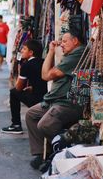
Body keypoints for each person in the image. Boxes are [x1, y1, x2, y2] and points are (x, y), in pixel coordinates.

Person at [25, 30, 85, 169]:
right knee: (31, 114)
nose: (61, 44)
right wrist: (51, 50)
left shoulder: (77, 54)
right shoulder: (70, 55)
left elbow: (45, 75)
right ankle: (41, 154)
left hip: (68, 103)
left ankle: (63, 149)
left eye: (65, 41)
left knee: (45, 125)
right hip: (54, 101)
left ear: (75, 41)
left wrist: (51, 52)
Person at [1, 40, 47, 134]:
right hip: (45, 96)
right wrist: (31, 87)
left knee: (13, 92)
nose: (21, 50)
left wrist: (20, 73)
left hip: (37, 100)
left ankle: (16, 125)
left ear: (31, 53)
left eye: (24, 49)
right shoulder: (43, 62)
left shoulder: (26, 65)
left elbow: (18, 88)